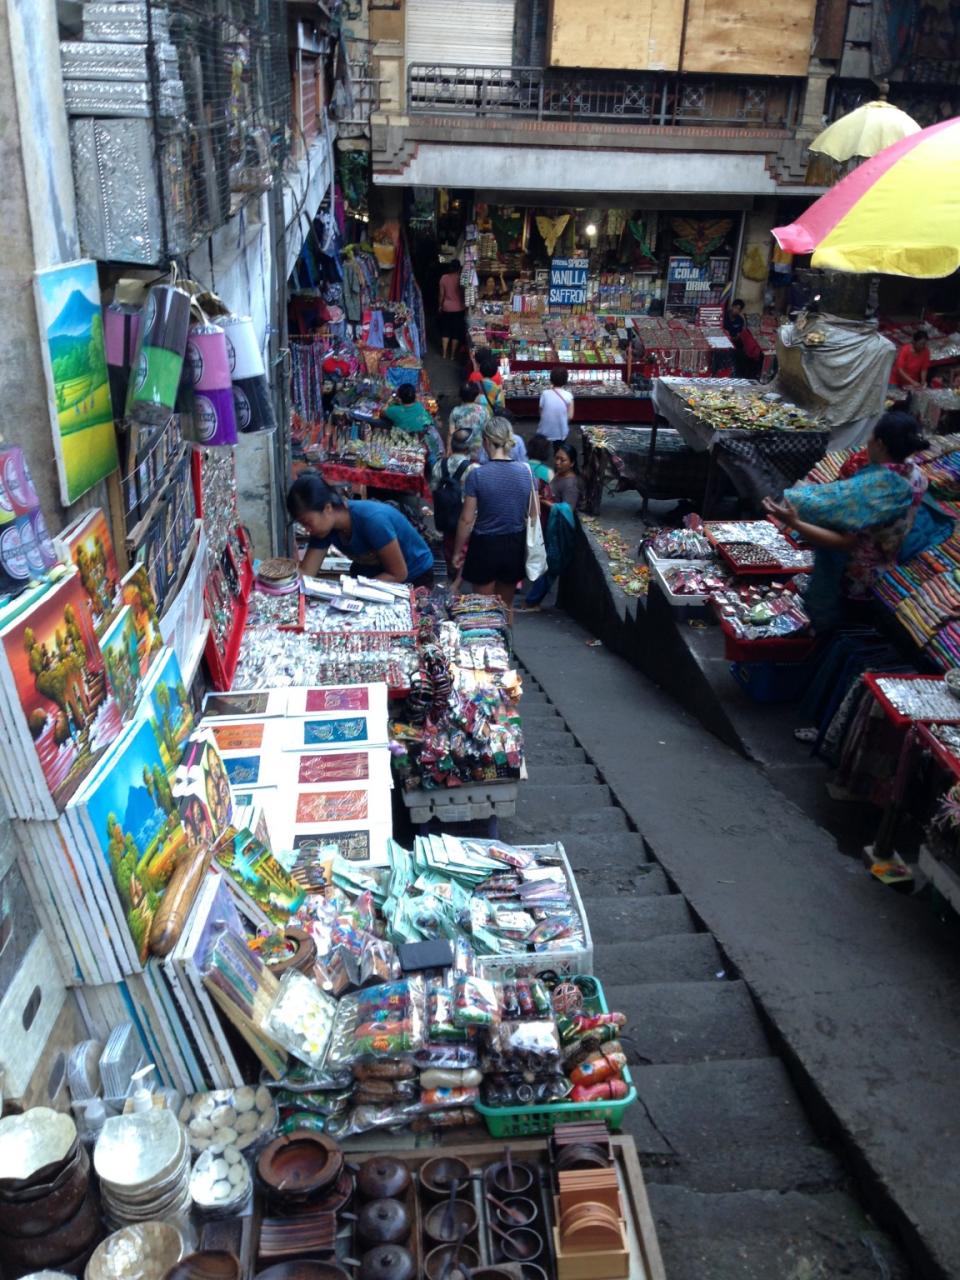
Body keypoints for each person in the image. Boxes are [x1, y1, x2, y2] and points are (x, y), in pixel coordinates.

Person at [762, 411, 930, 632]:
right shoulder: (917, 475)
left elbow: (845, 542)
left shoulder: (875, 487)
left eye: (870, 437)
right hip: (884, 570)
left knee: (835, 634)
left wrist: (795, 522)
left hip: (852, 577)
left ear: (880, 443)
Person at [288, 472, 435, 586]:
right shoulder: (323, 529)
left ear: (327, 508)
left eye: (307, 522)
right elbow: (307, 573)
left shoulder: (372, 520)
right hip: (373, 573)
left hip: (414, 574)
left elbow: (398, 574)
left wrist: (355, 590)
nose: (307, 530)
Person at [453, 417, 534, 620]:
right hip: (514, 543)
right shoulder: (526, 472)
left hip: (485, 545)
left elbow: (466, 519)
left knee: (483, 609)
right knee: (506, 606)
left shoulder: (478, 475)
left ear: (486, 441)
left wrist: (457, 552)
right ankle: (508, 647)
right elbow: (534, 514)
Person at [431, 427, 478, 576]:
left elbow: (434, 489)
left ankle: (452, 578)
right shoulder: (474, 469)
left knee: (449, 550)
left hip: (445, 518)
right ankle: (458, 585)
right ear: (468, 447)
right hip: (468, 521)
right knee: (463, 554)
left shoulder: (439, 465)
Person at [447, 382, 489, 457]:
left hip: (461, 451)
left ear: (460, 396)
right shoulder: (484, 410)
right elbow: (487, 431)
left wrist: (449, 449)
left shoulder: (455, 411)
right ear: (476, 395)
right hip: (479, 450)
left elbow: (451, 433)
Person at [724, 298, 762, 378]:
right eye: (735, 308)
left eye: (739, 309)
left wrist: (737, 337)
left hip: (736, 342)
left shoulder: (740, 320)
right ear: (732, 306)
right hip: (725, 341)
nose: (736, 310)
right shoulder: (724, 317)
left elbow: (740, 334)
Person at [536, 367, 574, 444]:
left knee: (543, 453)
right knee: (559, 452)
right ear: (565, 380)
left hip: (544, 432)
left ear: (551, 379)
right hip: (561, 432)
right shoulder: (569, 396)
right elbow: (570, 416)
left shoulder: (545, 394)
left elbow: (541, 412)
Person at [437, 260, 466, 361]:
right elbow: (463, 294)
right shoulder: (461, 279)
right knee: (456, 332)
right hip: (459, 308)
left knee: (446, 330)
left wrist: (440, 305)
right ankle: (452, 355)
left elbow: (441, 294)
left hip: (447, 308)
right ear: (459, 268)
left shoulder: (444, 278)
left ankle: (444, 353)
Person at [469, 347, 506, 415]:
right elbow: (500, 398)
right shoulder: (497, 376)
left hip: (478, 413)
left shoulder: (473, 375)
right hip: (492, 412)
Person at [550, 441, 581, 510]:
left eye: (562, 460)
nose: (557, 462)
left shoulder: (570, 485)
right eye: (556, 458)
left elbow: (568, 511)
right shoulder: (559, 474)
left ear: (572, 463)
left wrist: (544, 501)